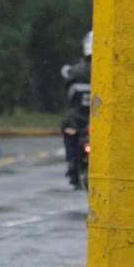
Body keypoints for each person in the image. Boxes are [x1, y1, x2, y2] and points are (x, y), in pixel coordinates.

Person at [60, 32, 92, 188]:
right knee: (69, 129)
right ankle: (73, 164)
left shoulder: (74, 71)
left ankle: (72, 165)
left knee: (68, 128)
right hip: (91, 122)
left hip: (79, 120)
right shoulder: (111, 67)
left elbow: (68, 97)